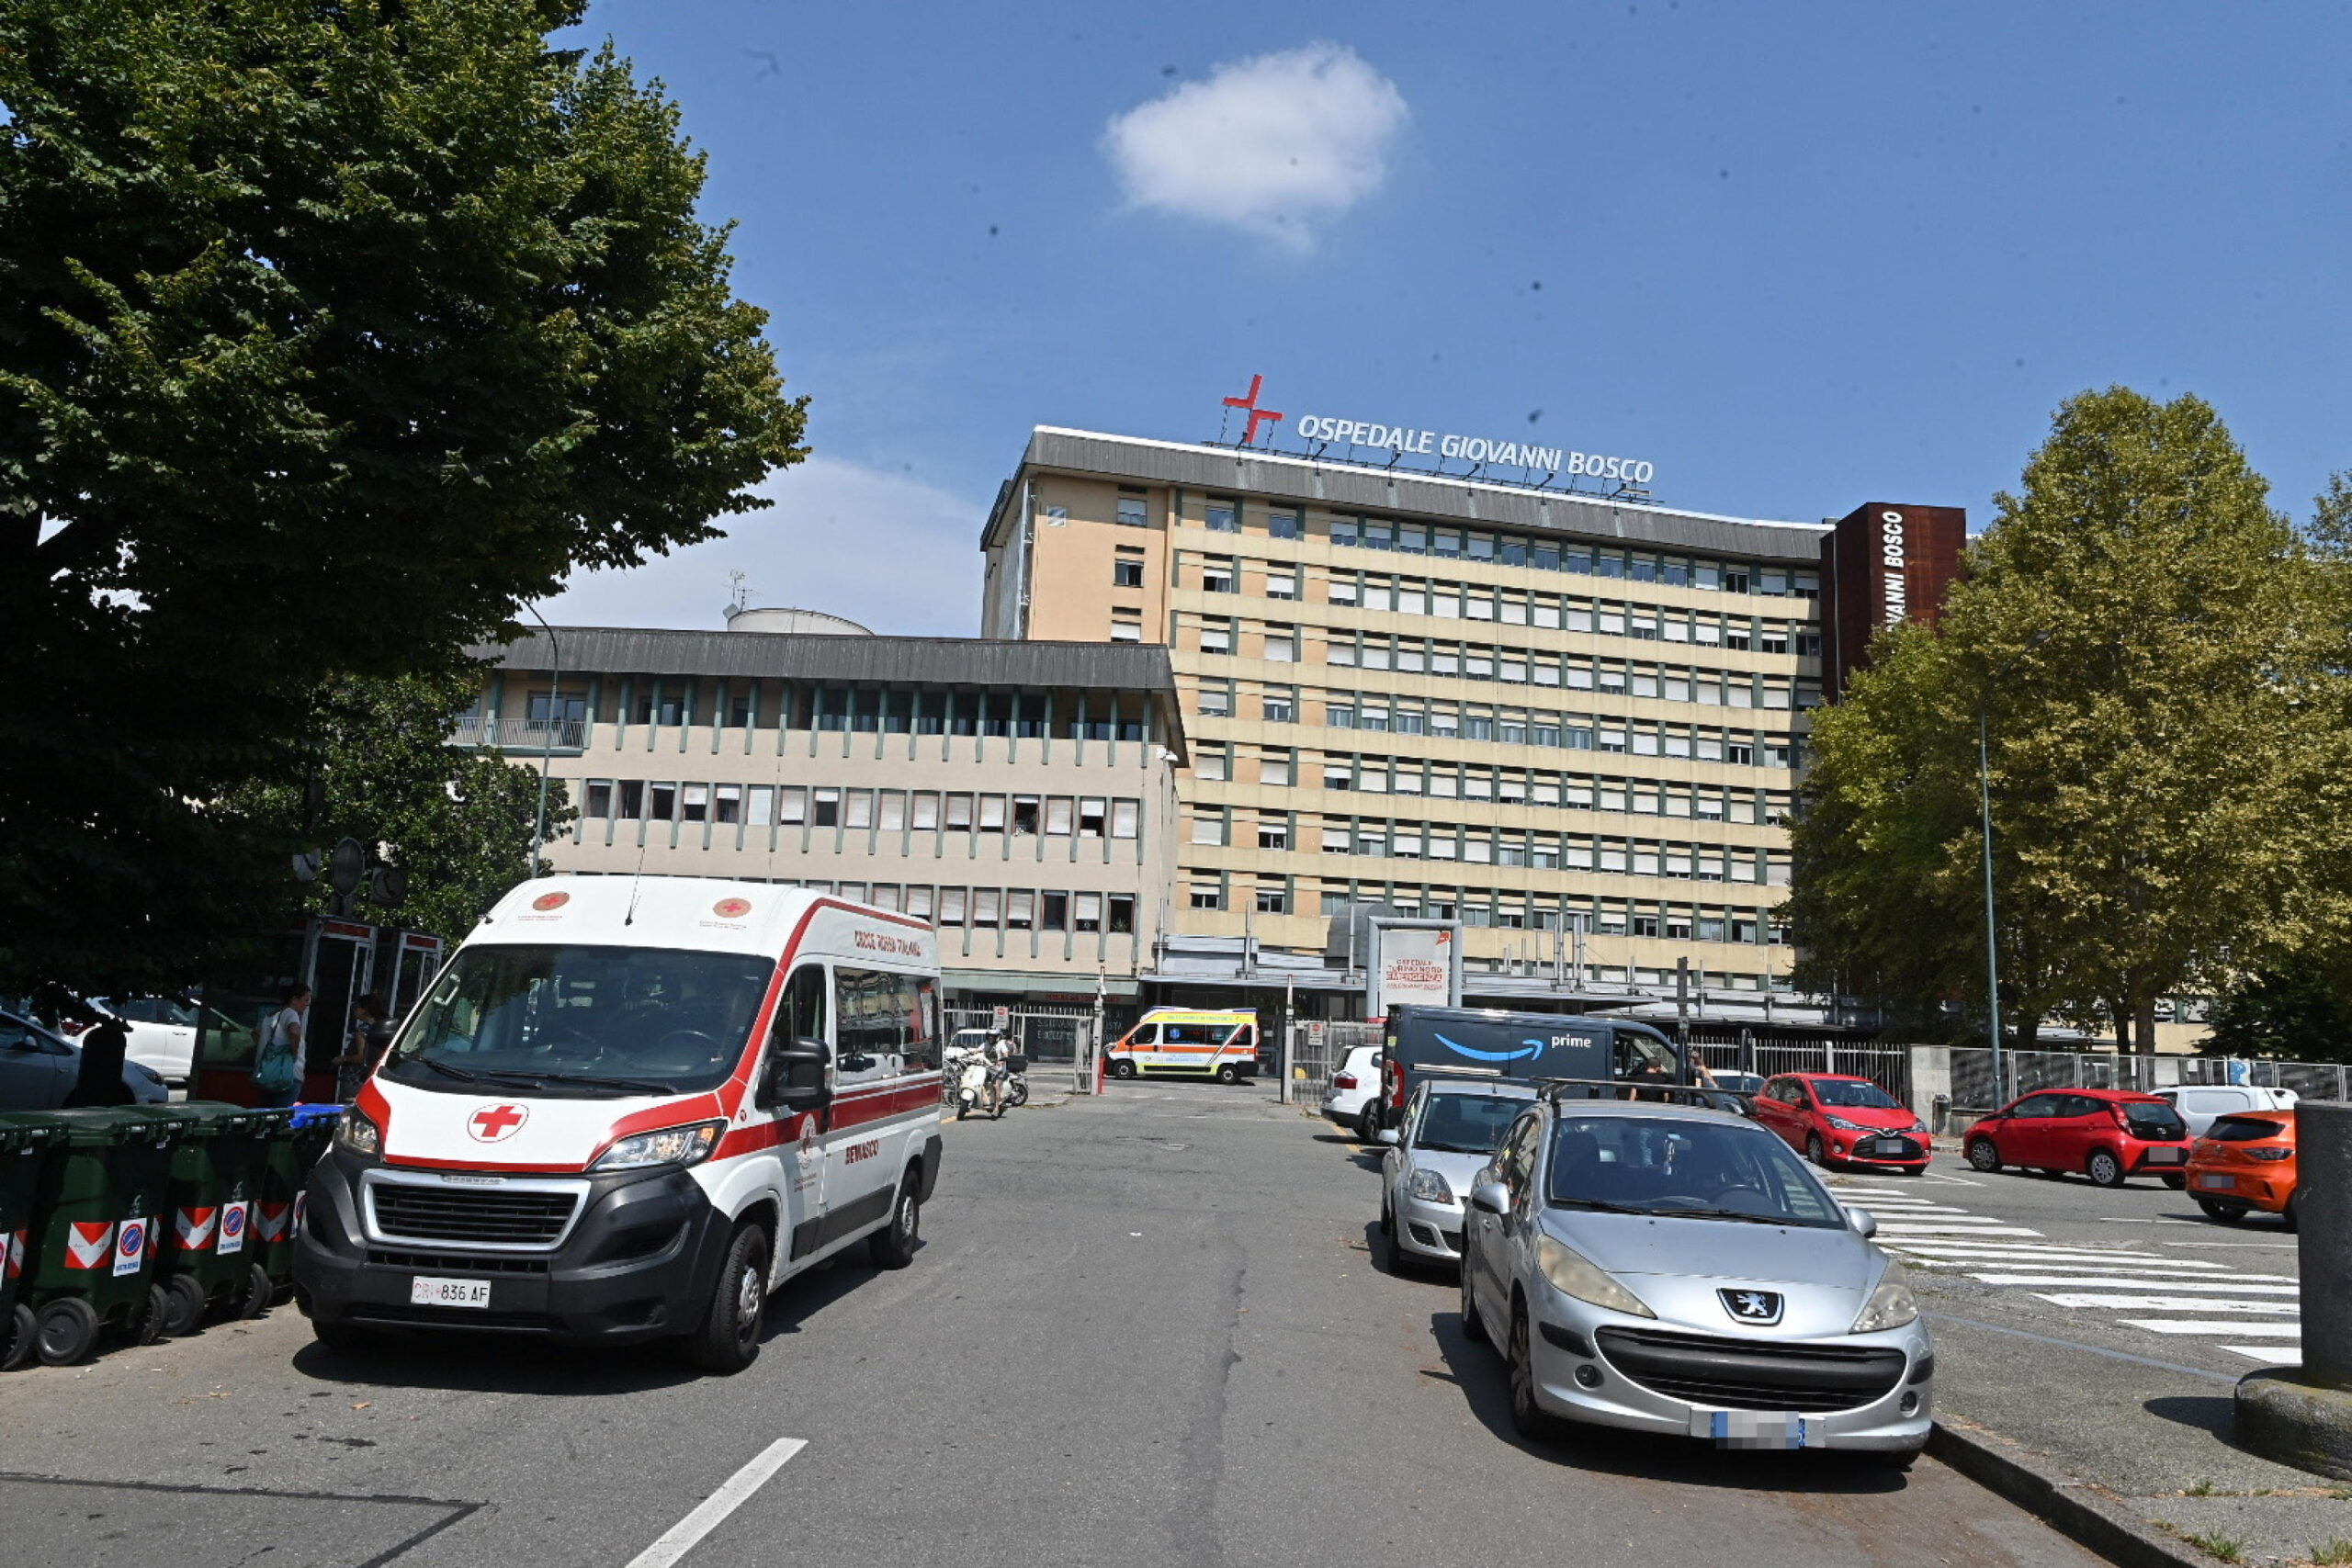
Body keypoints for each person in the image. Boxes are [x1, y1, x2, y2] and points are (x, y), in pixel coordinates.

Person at [254, 985, 310, 1108]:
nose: (308, 1004)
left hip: (267, 1073)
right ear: (294, 999)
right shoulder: (291, 1013)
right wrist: (294, 1053)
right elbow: (294, 1032)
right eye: (305, 1000)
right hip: (287, 1074)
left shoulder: (270, 1015)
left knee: (265, 1114)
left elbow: (255, 1034)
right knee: (281, 1117)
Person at [336, 994, 394, 1102]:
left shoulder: (362, 1030)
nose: (353, 1010)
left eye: (356, 1007)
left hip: (354, 1079)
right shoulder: (383, 1029)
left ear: (364, 1010)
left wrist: (343, 1059)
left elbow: (361, 1057)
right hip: (372, 1079)